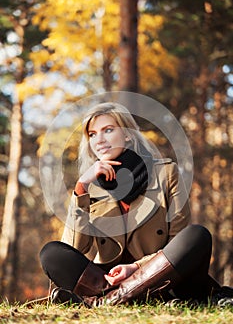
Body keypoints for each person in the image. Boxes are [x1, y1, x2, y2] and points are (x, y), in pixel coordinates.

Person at [39, 102, 232, 307]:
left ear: (128, 135)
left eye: (108, 130)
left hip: (163, 278)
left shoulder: (166, 173)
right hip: (108, 280)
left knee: (197, 235)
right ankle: (117, 298)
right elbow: (73, 247)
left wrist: (135, 268)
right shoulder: (91, 188)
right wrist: (81, 188)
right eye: (93, 134)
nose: (99, 140)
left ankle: (105, 302)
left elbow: (177, 242)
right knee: (51, 253)